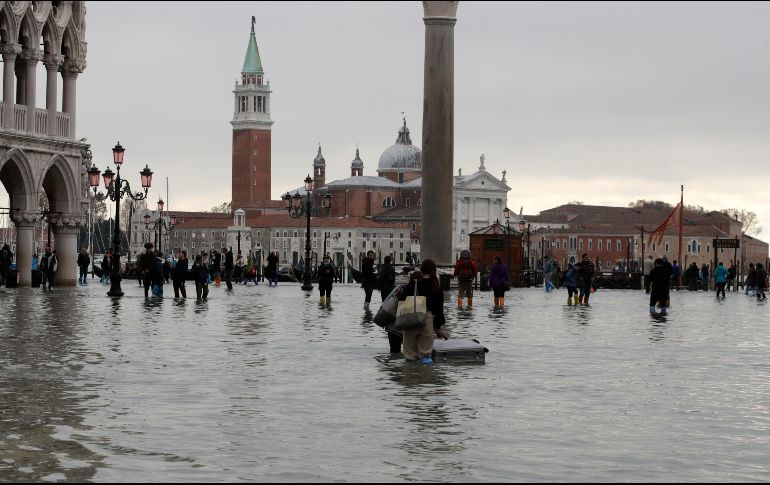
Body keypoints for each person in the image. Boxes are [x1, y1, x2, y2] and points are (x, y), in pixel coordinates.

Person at [397, 259, 447, 364]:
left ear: (421, 270)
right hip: (427, 319)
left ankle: (410, 372)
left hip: (410, 318)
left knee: (409, 356)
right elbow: (439, 312)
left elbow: (401, 299)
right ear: (434, 270)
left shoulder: (414, 284)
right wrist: (438, 328)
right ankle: (424, 373)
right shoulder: (436, 287)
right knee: (425, 356)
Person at [377, 255, 400, 352]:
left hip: (384, 288)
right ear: (390, 261)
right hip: (390, 288)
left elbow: (381, 278)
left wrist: (379, 286)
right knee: (392, 303)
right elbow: (392, 278)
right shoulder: (391, 268)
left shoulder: (383, 268)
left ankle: (385, 315)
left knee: (385, 303)